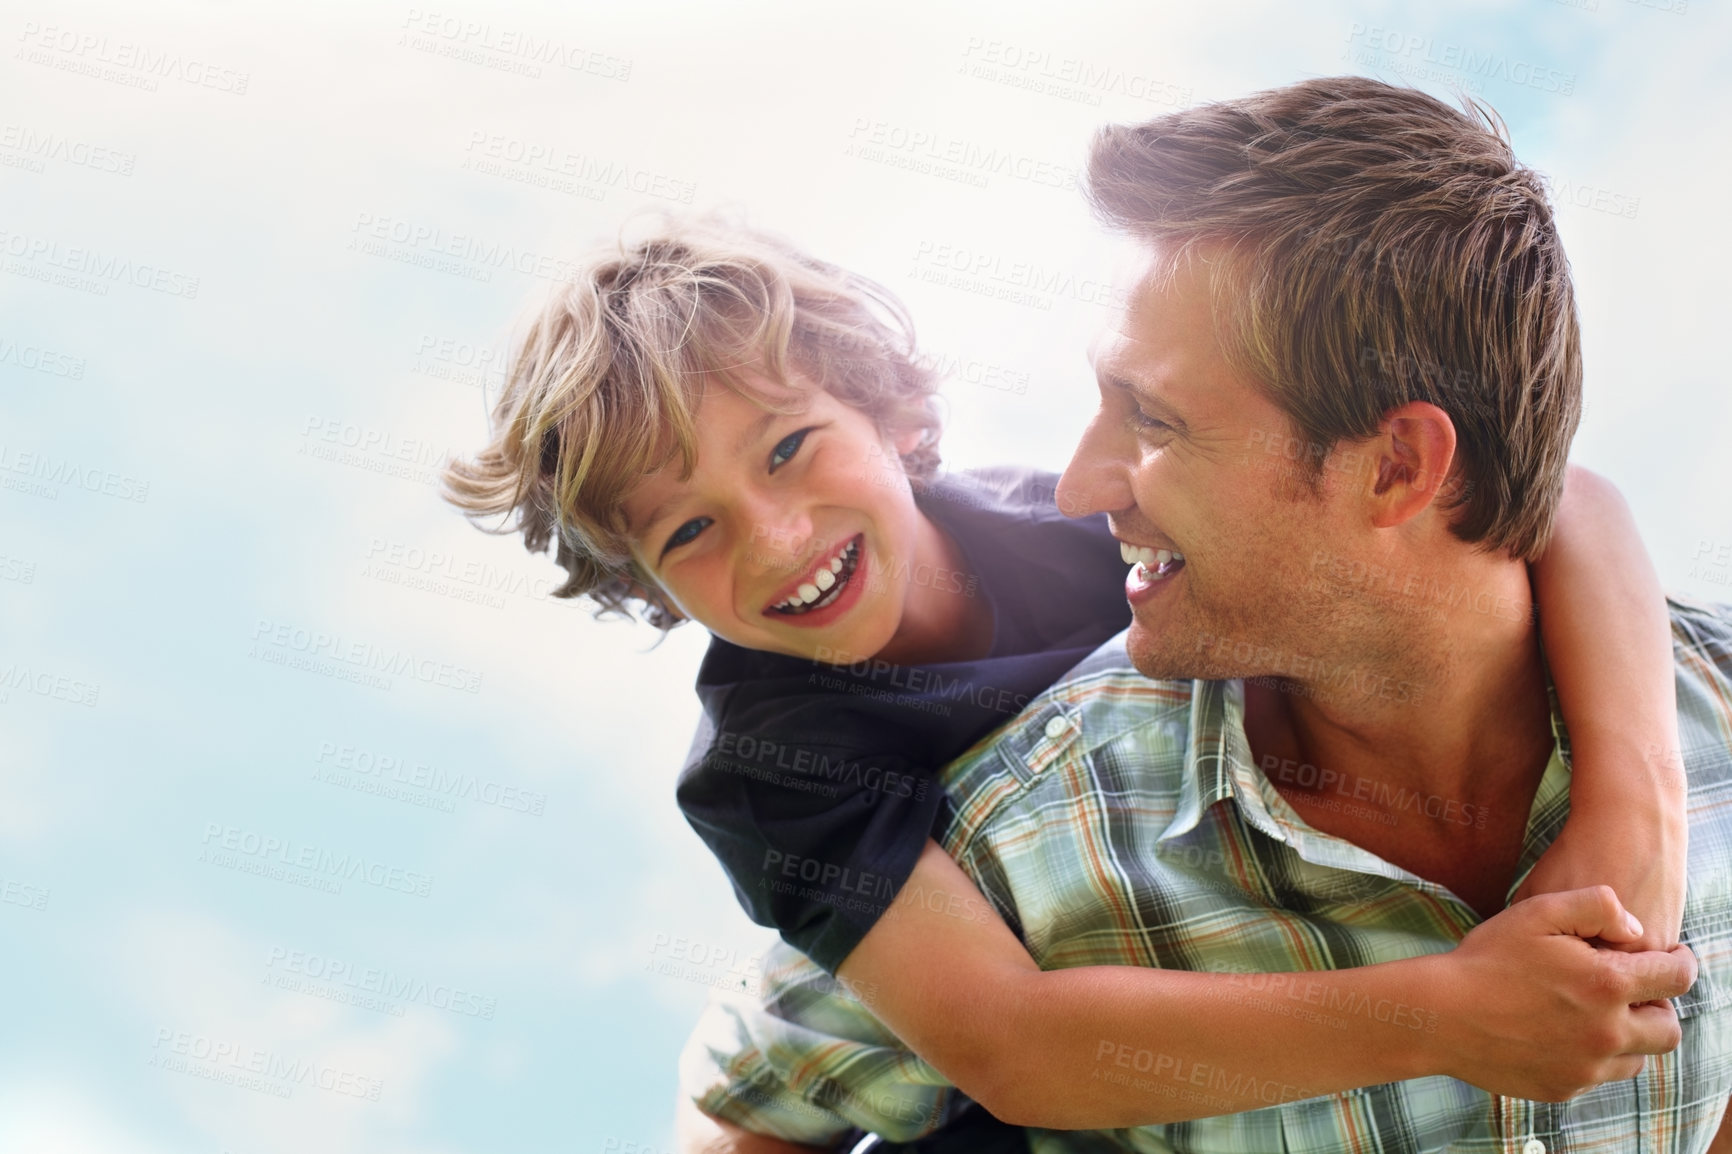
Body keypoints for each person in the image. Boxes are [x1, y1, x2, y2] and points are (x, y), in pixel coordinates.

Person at [440, 209, 1683, 1136]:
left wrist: (1634, 808)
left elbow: (1560, 497)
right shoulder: (766, 766)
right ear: (650, 588)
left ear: (891, 413)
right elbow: (1011, 1041)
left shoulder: (1080, 521)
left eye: (787, 447)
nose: (773, 536)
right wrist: (1452, 1007)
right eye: (687, 532)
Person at [671, 77, 1732, 1153]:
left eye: (1155, 419)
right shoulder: (1008, 839)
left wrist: (1636, 786)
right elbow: (764, 1108)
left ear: (1398, 467)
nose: (1079, 487)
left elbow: (1562, 494)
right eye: (684, 528)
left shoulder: (1699, 718)